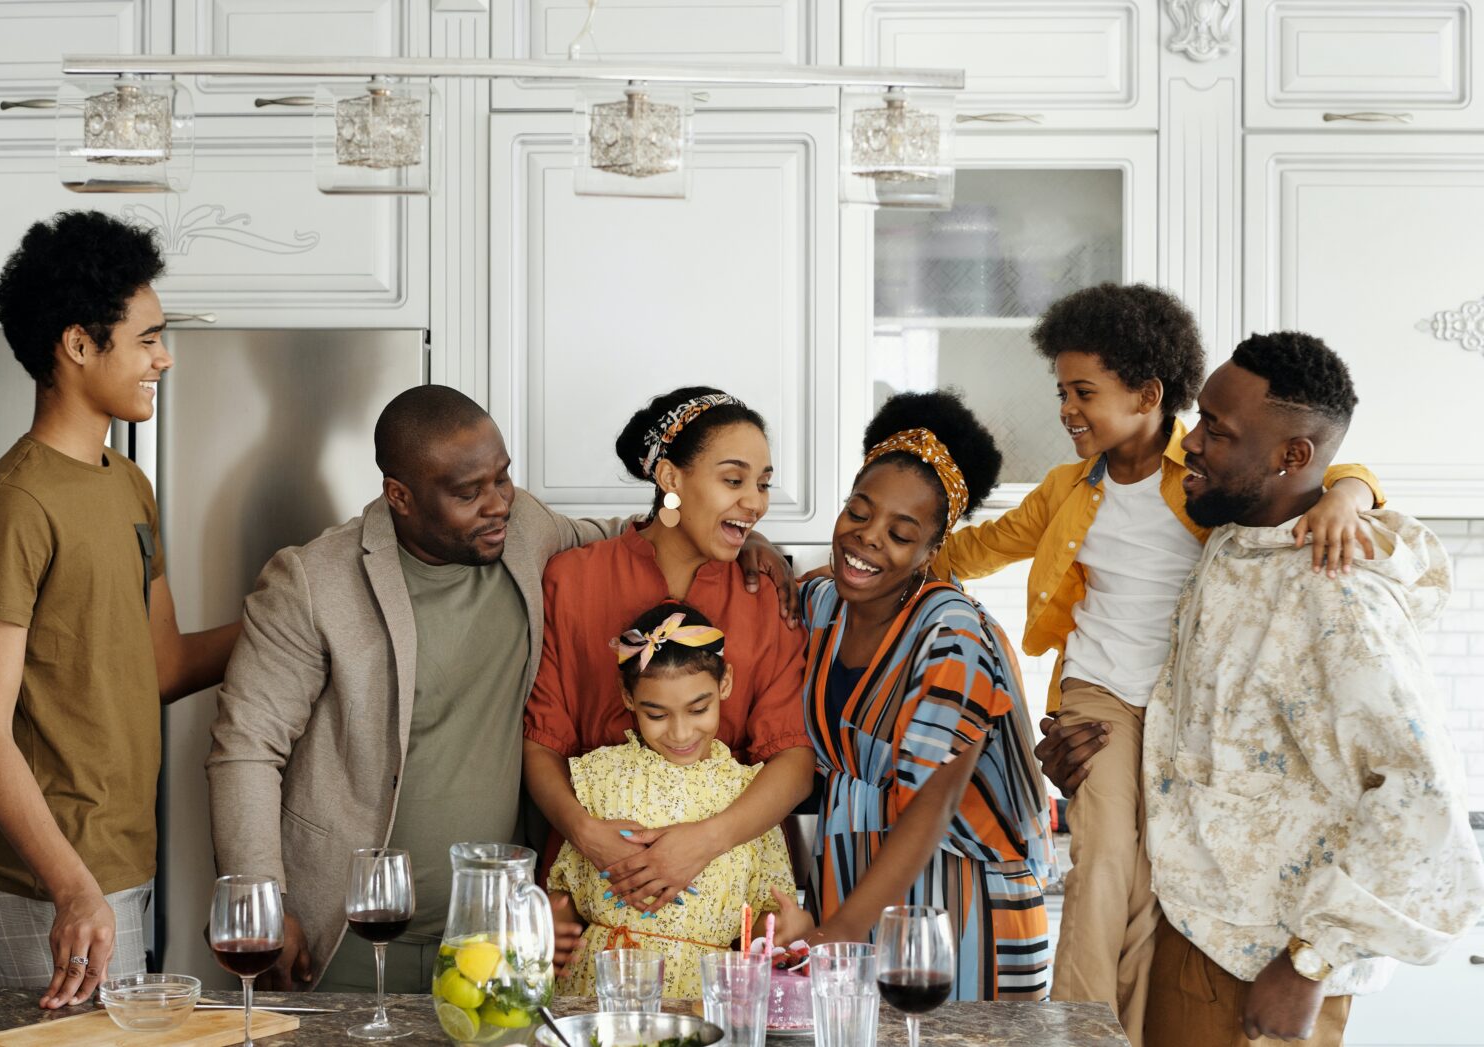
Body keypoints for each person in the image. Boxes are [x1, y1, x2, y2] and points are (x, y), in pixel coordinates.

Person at [207, 385, 793, 994]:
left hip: (496, 928)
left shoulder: (525, 530)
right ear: (399, 496)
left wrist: (742, 537)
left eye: (503, 478)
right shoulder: (313, 580)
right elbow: (246, 748)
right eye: (469, 493)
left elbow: (639, 538)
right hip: (351, 929)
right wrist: (261, 902)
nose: (498, 505)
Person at [924, 285, 1380, 1043]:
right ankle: (1075, 1028)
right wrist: (889, 557)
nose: (1067, 408)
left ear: (1146, 394)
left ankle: (1122, 1030)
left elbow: (1310, 461)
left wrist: (1352, 493)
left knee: (1154, 881)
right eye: (1062, 391)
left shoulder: (1205, 474)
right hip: (1098, 694)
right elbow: (974, 550)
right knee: (1102, 861)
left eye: (1084, 392)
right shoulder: (1067, 489)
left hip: (1181, 705)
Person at [1046, 334, 1484, 1046]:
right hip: (1195, 932)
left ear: (1292, 457)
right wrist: (1090, 767)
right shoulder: (1234, 540)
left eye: (1216, 432)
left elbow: (1426, 803)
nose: (1187, 444)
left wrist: (1309, 963)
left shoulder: (1334, 599)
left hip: (1262, 968)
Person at [0, 211, 241, 1010]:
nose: (165, 355)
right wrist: (72, 887)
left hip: (117, 853)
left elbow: (164, 665)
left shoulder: (127, 483)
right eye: (147, 337)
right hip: (49, 872)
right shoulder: (15, 503)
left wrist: (291, 619)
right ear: (79, 345)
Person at [778, 390, 1055, 1001]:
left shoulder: (952, 635)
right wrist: (755, 553)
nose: (868, 538)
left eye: (901, 533)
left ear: (932, 551)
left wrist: (843, 931)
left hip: (960, 910)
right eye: (859, 512)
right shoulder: (819, 605)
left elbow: (934, 802)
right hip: (848, 882)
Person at [524, 387, 814, 918]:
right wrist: (587, 834)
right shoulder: (571, 581)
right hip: (586, 900)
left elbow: (793, 758)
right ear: (670, 478)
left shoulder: (766, 595)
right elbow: (541, 741)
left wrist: (707, 840)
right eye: (733, 480)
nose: (756, 501)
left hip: (728, 903)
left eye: (763, 483)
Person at [544, 602, 796, 998]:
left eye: (699, 709)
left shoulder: (750, 793)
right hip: (602, 982)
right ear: (628, 697)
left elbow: (770, 906)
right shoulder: (601, 776)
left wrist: (785, 926)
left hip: (703, 992)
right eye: (657, 715)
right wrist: (554, 917)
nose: (680, 734)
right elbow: (569, 885)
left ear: (724, 684)